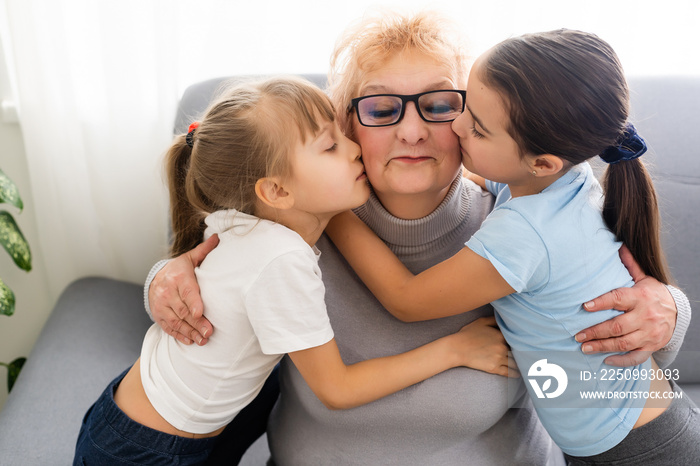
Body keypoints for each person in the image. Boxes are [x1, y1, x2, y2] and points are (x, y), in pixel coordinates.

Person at [145, 12, 691, 465]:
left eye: (439, 105)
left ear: (471, 119)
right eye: (381, 109)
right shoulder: (289, 230)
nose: (412, 131)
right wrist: (164, 281)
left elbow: (610, 294)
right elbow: (207, 279)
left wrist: (670, 309)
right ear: (345, 124)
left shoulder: (514, 222)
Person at [73, 77, 509, 466]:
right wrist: (456, 350)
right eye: (332, 146)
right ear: (277, 190)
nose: (354, 147)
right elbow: (336, 389)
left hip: (133, 415)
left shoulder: (255, 218)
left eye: (344, 135)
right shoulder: (281, 257)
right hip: (147, 450)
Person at [325, 29, 700, 464]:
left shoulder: (520, 233)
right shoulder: (559, 179)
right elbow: (493, 176)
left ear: (542, 162)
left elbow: (408, 300)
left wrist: (334, 214)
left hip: (637, 448)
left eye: (457, 113)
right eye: (383, 108)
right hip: (637, 425)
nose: (457, 128)